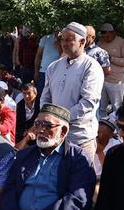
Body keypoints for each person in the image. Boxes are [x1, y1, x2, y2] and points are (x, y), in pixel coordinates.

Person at [40, 22, 104, 161]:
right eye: (62, 39)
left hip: (80, 138)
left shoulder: (91, 67)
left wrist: (59, 120)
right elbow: (45, 97)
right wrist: (47, 119)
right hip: (54, 136)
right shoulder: (53, 67)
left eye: (69, 39)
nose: (64, 43)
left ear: (82, 41)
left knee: (81, 174)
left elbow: (88, 103)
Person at [98, 23, 124, 117]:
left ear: (113, 33)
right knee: (101, 108)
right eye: (103, 36)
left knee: (117, 107)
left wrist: (111, 58)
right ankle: (101, 124)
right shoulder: (100, 43)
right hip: (101, 80)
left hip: (116, 81)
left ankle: (117, 125)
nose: (105, 38)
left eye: (107, 36)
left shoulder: (122, 42)